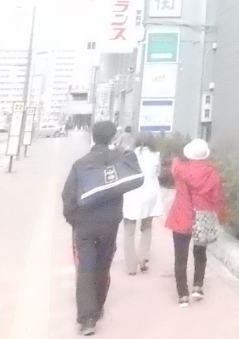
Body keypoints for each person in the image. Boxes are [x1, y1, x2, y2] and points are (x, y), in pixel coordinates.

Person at [62, 120, 141, 335]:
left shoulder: (80, 164)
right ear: (113, 137)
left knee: (86, 267)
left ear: (93, 137)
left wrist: (73, 220)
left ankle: (87, 319)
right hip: (110, 223)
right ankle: (97, 308)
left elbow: (68, 197)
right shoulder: (119, 160)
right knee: (103, 265)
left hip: (84, 225)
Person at [164, 138, 226, 306]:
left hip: (182, 215)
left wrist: (177, 158)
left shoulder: (180, 170)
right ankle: (198, 287)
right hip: (202, 216)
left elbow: (174, 164)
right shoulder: (212, 173)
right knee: (200, 253)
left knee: (180, 257)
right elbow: (217, 198)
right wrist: (219, 216)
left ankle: (183, 295)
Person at [121, 133, 163, 274]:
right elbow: (158, 174)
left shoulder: (129, 155)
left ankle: (131, 267)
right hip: (149, 195)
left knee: (129, 232)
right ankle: (143, 258)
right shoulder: (156, 155)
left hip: (131, 194)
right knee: (147, 227)